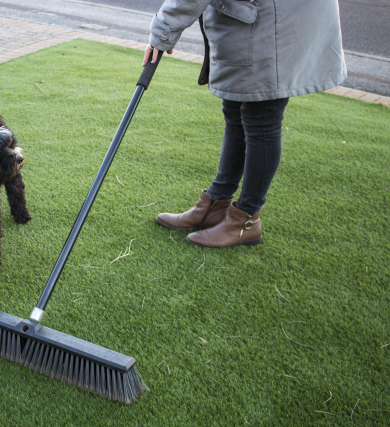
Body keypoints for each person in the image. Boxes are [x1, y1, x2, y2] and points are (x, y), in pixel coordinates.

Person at [143, 0, 346, 248]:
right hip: (256, 14)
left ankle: (246, 220)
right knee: (236, 105)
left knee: (261, 114)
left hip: (276, 19)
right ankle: (215, 205)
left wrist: (163, 29)